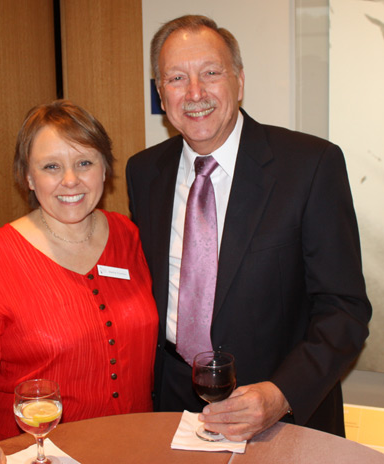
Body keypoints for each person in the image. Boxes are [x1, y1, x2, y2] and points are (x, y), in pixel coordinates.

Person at [126, 15, 371, 441]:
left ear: (239, 81)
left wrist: (280, 395)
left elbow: (345, 310)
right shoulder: (143, 172)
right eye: (177, 78)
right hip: (170, 408)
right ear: (161, 94)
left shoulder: (310, 166)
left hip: (279, 418)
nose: (195, 93)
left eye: (211, 73)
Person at [0, 100, 158, 464]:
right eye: (51, 166)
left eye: (84, 162)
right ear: (28, 177)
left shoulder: (128, 236)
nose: (70, 180)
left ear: (105, 169)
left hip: (131, 448)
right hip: (37, 455)